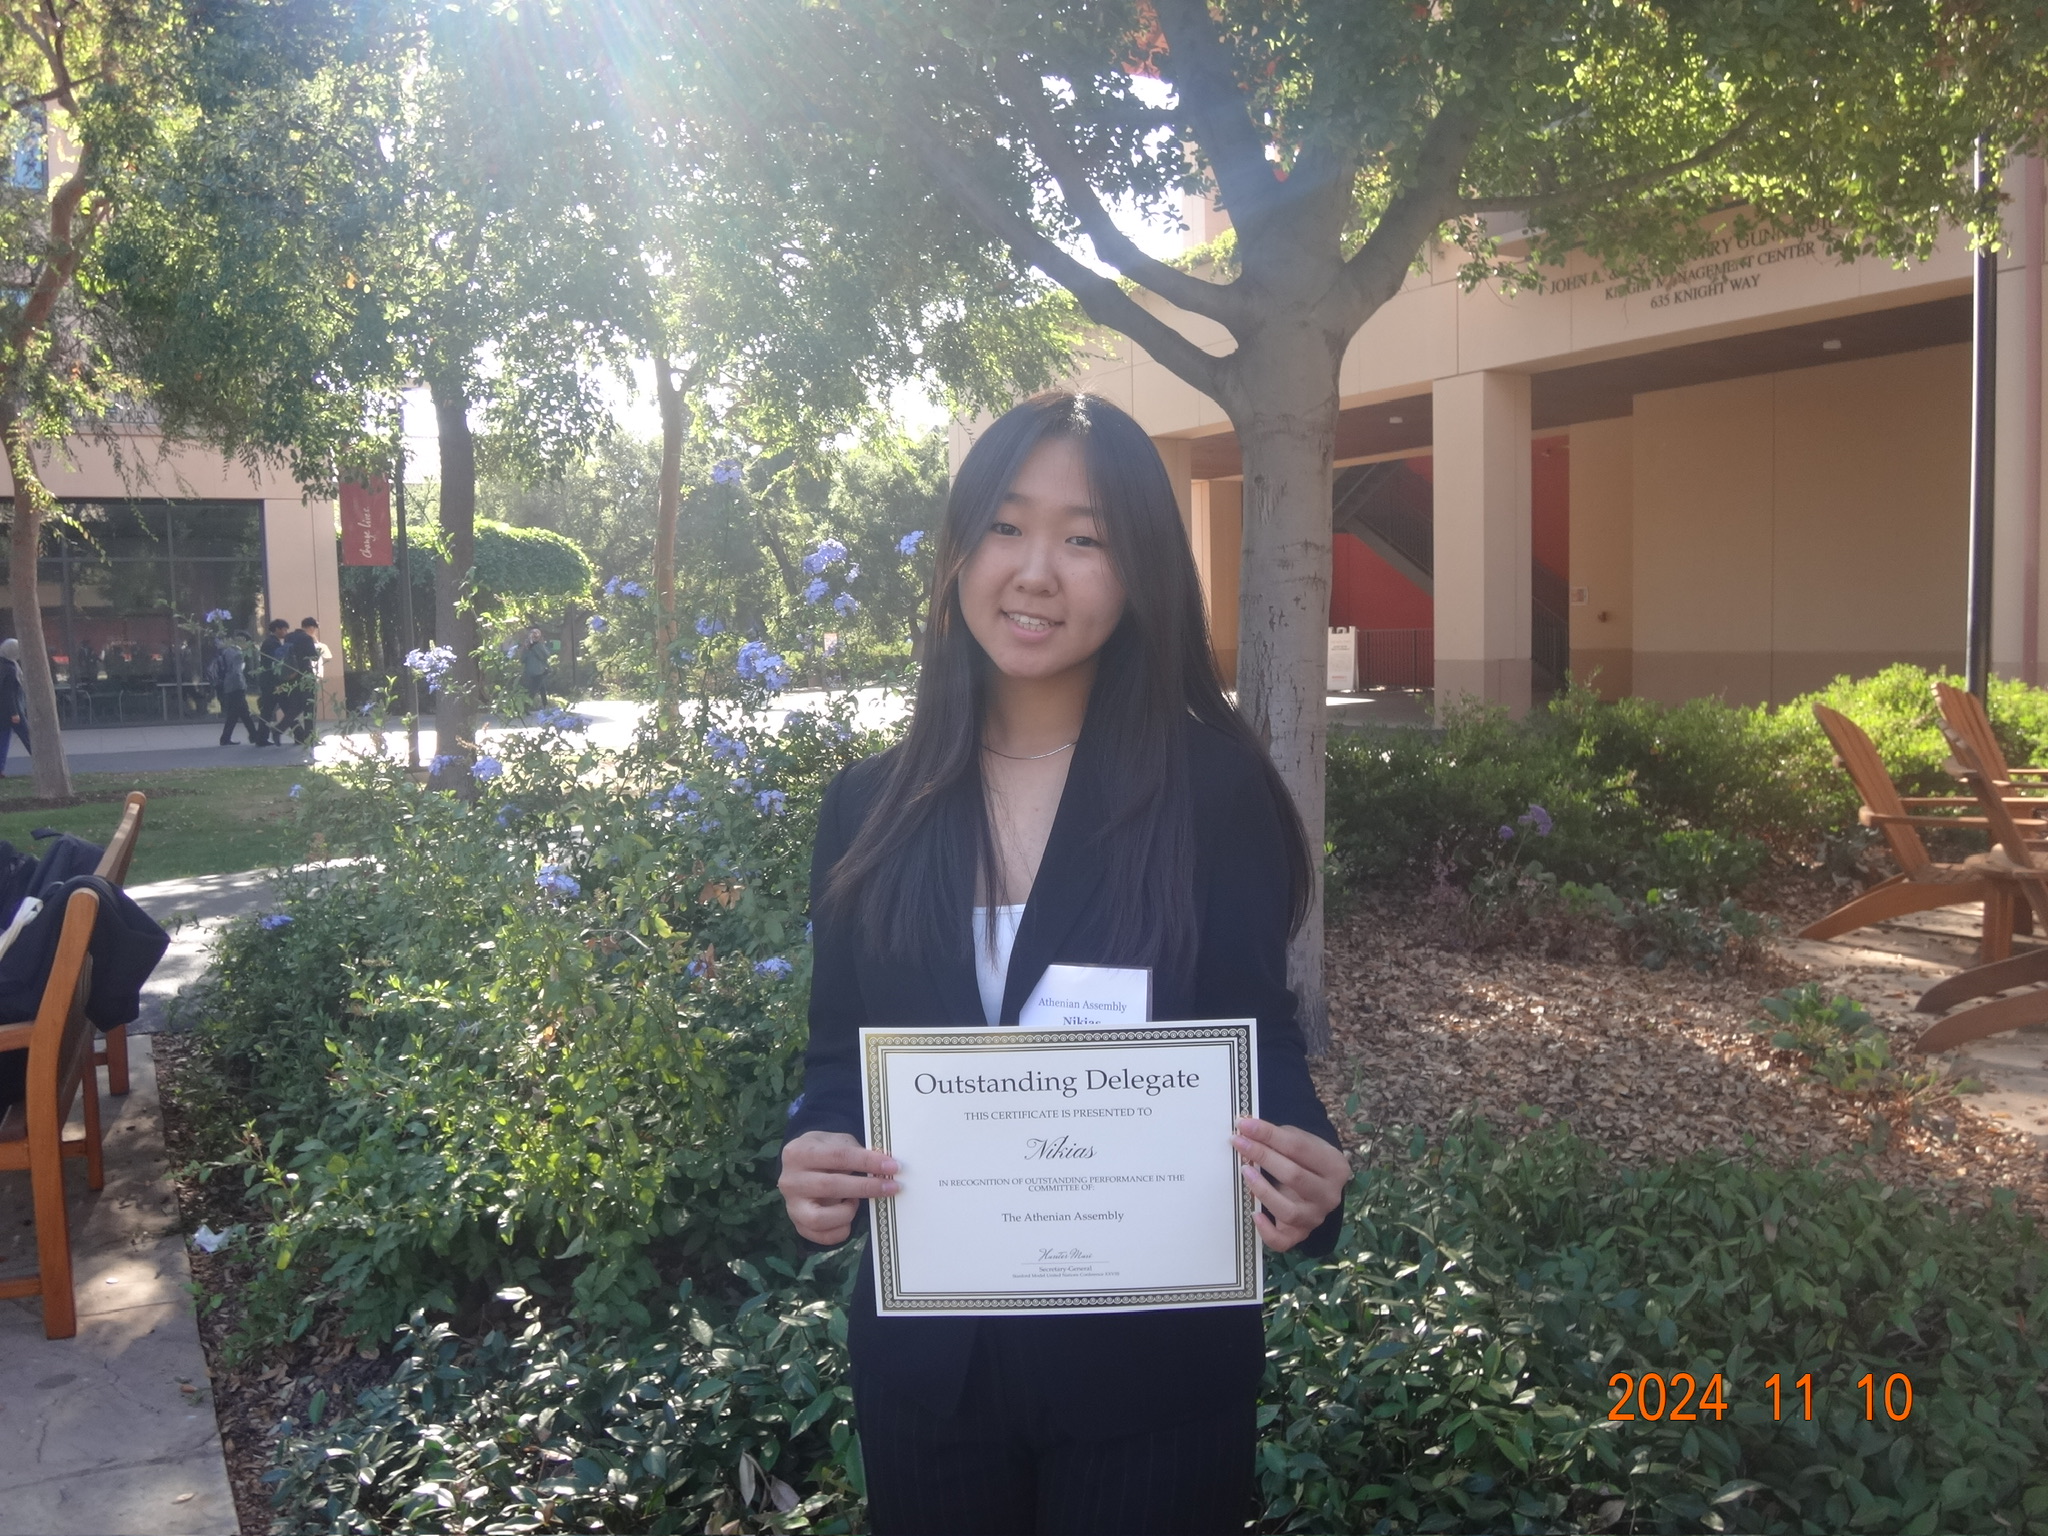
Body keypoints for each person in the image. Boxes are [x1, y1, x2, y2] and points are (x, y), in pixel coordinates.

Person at [779, 393, 1350, 1536]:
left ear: (1140, 572)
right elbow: (840, 1051)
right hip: (933, 1374)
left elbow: (1252, 1028)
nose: (1035, 572)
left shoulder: (1212, 792)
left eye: (1083, 539)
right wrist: (816, 1151)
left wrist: (1301, 1159)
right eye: (1005, 525)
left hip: (1151, 1377)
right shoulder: (871, 805)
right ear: (959, 550)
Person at [208, 631, 262, 745]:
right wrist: (242, 685)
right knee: (240, 712)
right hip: (236, 686)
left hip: (229, 685)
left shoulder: (227, 651)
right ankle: (252, 735)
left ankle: (250, 735)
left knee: (239, 713)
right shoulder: (237, 653)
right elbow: (236, 672)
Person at [254, 619, 291, 745]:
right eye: (284, 629)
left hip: (269, 681)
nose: (285, 632)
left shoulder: (270, 642)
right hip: (273, 682)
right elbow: (276, 663)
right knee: (286, 709)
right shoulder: (272, 643)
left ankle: (262, 738)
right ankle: (299, 735)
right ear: (277, 629)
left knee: (268, 711)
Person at [0, 639, 31, 778]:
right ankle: (42, 762)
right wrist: (14, 713)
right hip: (13, 711)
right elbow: (9, 693)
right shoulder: (11, 669)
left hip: (2, 711)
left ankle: (0, 768)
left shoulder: (3, 665)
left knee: (3, 738)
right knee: (28, 736)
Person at [518, 626, 553, 709]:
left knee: (536, 689)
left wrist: (534, 646)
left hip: (539, 672)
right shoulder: (527, 648)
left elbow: (546, 655)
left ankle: (541, 705)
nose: (534, 637)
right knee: (536, 689)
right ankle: (530, 706)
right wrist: (527, 649)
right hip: (530, 673)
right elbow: (522, 660)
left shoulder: (539, 645)